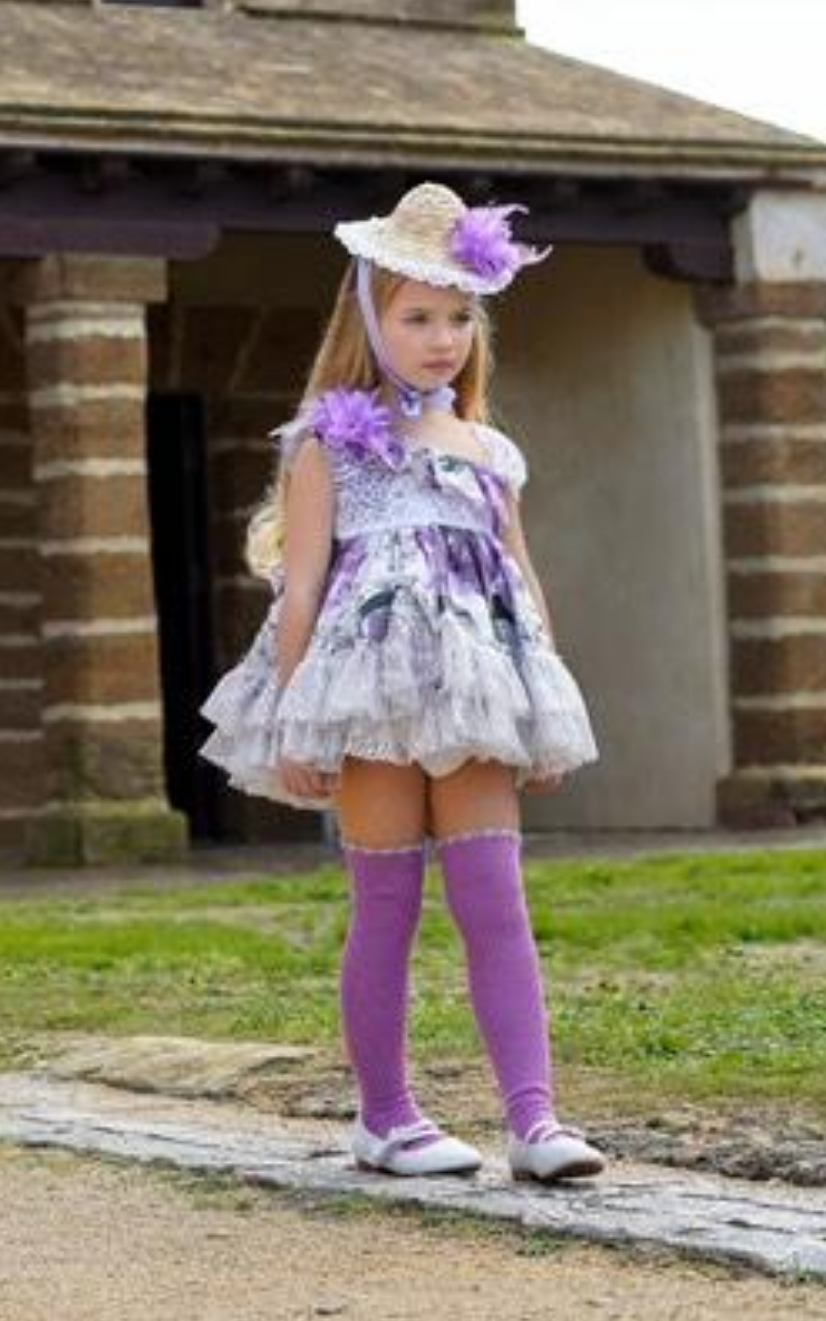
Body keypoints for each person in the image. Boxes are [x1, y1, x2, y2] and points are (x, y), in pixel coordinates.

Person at [199, 181, 604, 1183]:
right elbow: (300, 591)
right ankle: (385, 1118)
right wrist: (296, 721)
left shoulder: (489, 453)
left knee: (495, 900)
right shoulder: (329, 446)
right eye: (418, 316)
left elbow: (519, 579)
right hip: (370, 698)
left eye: (459, 317)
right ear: (370, 320)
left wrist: (543, 707)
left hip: (471, 695)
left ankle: (535, 1119)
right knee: (388, 904)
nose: (442, 338)